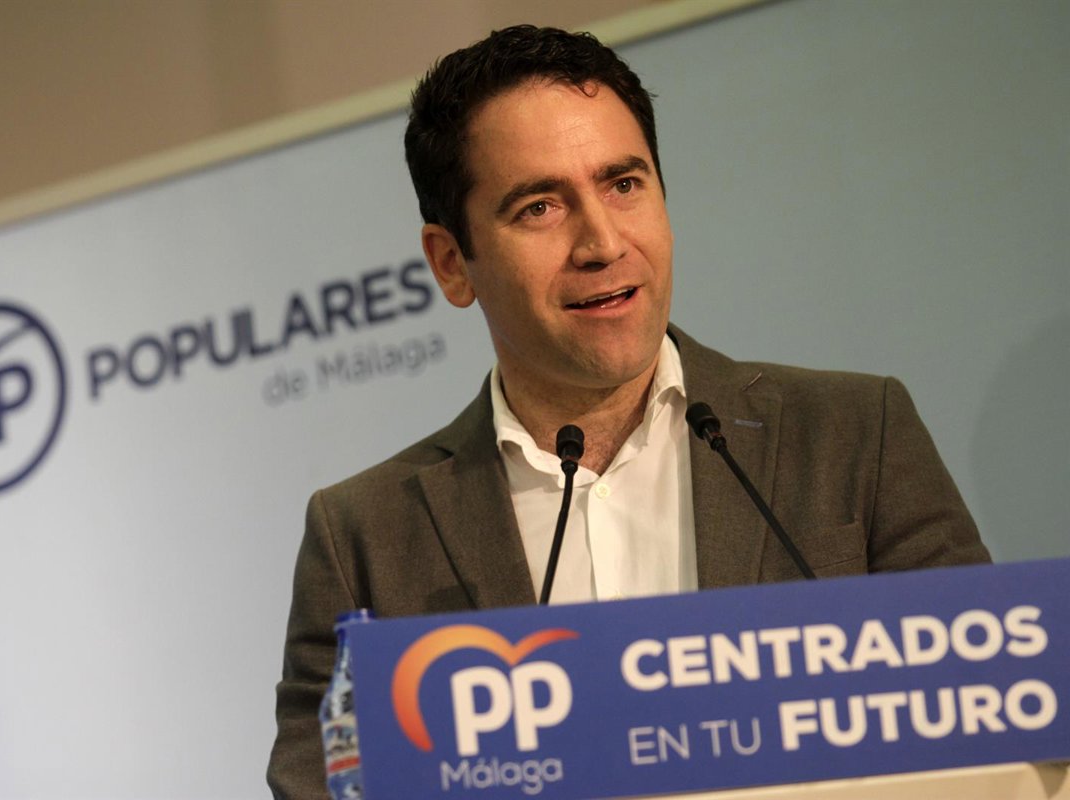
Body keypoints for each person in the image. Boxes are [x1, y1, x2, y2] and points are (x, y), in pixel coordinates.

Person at [267, 25, 989, 799]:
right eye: (540, 206)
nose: (603, 242)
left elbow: (991, 719)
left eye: (622, 184)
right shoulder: (365, 537)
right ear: (452, 263)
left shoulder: (854, 434)